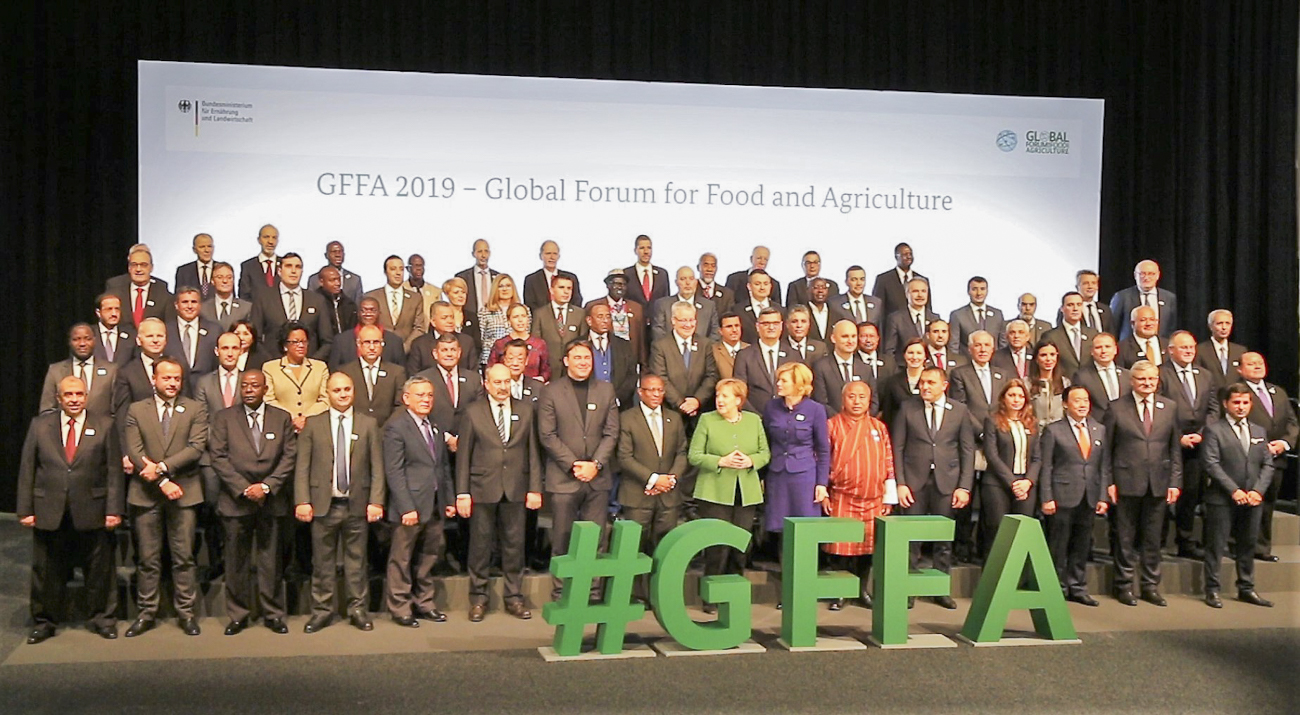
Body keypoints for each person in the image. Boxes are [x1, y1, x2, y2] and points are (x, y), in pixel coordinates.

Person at [18, 376, 123, 643]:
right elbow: (28, 468)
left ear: (86, 396)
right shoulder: (40, 425)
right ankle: (44, 622)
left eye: (79, 394)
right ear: (58, 398)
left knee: (100, 570)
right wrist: (25, 509)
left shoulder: (105, 425)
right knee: (46, 571)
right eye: (68, 394)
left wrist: (113, 510)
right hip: (49, 509)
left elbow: (113, 471)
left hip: (93, 508)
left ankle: (102, 618)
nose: (74, 399)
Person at [294, 372, 386, 633]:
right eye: (337, 390)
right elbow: (302, 467)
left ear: (353, 391)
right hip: (323, 505)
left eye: (347, 389)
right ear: (328, 393)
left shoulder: (368, 424)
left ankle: (358, 610)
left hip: (357, 504)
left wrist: (376, 500)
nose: (343, 394)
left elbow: (377, 467)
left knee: (357, 562)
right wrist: (302, 500)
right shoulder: (313, 424)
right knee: (322, 563)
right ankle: (322, 611)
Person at [122, 357, 208, 637]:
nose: (172, 383)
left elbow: (196, 447)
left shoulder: (195, 408)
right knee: (148, 559)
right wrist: (162, 482)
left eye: (177, 379)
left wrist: (161, 469)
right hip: (145, 494)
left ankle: (186, 613)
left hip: (184, 492)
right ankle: (146, 613)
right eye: (167, 378)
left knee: (184, 557)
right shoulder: (136, 409)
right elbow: (134, 451)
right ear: (154, 380)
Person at [209, 370, 296, 635]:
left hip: (271, 500)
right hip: (236, 500)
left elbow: (289, 456)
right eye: (245, 385)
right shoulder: (224, 418)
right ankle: (238, 615)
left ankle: (273, 614)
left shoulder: (281, 418)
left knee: (271, 562)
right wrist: (244, 488)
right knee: (236, 562)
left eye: (254, 385)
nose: (248, 389)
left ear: (265, 389)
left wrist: (267, 486)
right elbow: (218, 457)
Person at [456, 364, 543, 621]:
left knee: (514, 546)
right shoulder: (473, 412)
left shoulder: (526, 410)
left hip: (516, 487)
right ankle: (478, 599)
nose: (503, 387)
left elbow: (533, 453)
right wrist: (462, 493)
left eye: (507, 382)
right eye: (498, 382)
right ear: (486, 384)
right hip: (482, 487)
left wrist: (535, 488)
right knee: (480, 546)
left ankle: (514, 597)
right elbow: (463, 456)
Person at [537, 341, 620, 600]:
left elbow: (611, 433)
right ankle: (562, 592)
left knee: (596, 539)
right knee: (562, 539)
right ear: (566, 361)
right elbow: (547, 435)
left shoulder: (606, 390)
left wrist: (595, 465)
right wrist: (574, 465)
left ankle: (592, 592)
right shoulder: (551, 391)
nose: (583, 362)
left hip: (597, 478)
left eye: (587, 357)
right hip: (564, 478)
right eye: (577, 357)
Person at [892, 366, 974, 608]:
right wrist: (900, 483)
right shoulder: (908, 408)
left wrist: (964, 487)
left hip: (947, 482)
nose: (925, 387)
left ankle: (940, 589)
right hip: (914, 483)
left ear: (944, 386)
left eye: (930, 382)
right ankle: (907, 589)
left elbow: (967, 451)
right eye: (922, 382)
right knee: (911, 538)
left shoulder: (959, 411)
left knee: (943, 540)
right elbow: (897, 447)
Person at [689, 378, 770, 613]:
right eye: (718, 395)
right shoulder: (707, 420)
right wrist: (720, 461)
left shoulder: (754, 421)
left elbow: (765, 453)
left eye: (725, 396)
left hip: (746, 493)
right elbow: (694, 455)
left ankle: (733, 595)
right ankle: (711, 597)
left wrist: (751, 461)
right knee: (717, 548)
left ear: (738, 400)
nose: (720, 400)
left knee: (739, 547)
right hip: (714, 493)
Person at [1106, 360, 1183, 607]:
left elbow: (1175, 448)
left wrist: (1175, 482)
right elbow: (1106, 450)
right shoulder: (1116, 408)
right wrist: (1109, 481)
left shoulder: (1169, 407)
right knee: (1125, 538)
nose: (1147, 383)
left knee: (1153, 539)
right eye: (1142, 379)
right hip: (1126, 481)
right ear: (1132, 382)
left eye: (1151, 379)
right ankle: (1124, 585)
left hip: (1158, 482)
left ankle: (1150, 586)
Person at [383, 377, 457, 627]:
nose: (426, 400)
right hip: (410, 506)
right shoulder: (396, 427)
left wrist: (448, 499)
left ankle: (424, 603)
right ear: (406, 398)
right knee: (402, 559)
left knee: (428, 556)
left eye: (429, 395)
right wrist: (406, 507)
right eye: (420, 395)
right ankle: (400, 607)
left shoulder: (434, 424)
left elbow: (442, 466)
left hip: (434, 502)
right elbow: (394, 471)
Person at [822, 380, 896, 611]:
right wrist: (823, 492)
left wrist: (888, 496)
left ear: (869, 400)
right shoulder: (831, 425)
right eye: (852, 396)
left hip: (873, 498)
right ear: (843, 399)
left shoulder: (878, 427)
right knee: (841, 549)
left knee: (868, 548)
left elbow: (888, 461)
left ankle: (862, 590)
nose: (857, 401)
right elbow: (822, 461)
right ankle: (840, 592)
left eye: (862, 397)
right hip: (842, 497)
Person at [1201, 383, 1276, 608]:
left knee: (1248, 545)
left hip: (1252, 498)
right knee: (1216, 546)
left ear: (1251, 404)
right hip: (1222, 498)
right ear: (1226, 404)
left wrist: (1257, 491)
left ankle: (1246, 587)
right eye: (1236, 402)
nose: (1241, 407)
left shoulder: (1259, 431)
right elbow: (1211, 463)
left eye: (1245, 402)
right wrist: (1234, 490)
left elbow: (1268, 464)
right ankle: (1212, 590)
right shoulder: (1214, 430)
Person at [616, 374, 689, 603]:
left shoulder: (674, 418)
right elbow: (624, 457)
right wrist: (653, 479)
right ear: (640, 392)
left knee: (664, 547)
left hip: (669, 496)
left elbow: (682, 452)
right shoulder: (626, 418)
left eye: (660, 390)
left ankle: (661, 594)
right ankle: (636, 595)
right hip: (637, 494)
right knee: (635, 548)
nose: (656, 394)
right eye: (651, 390)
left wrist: (670, 479)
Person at [1039, 385, 1111, 606]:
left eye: (1085, 400)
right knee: (1058, 545)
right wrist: (1046, 497)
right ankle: (1056, 588)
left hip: (1089, 495)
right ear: (1065, 404)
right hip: (1062, 495)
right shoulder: (1054, 430)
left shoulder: (1099, 429)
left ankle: (1077, 587)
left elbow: (1103, 467)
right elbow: (1046, 466)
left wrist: (1102, 497)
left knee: (1082, 545)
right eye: (1077, 400)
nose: (1082, 404)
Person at [761, 363, 831, 573]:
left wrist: (822, 484)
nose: (778, 384)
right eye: (779, 380)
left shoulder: (816, 410)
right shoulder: (771, 407)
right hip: (777, 475)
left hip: (804, 476)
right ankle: (787, 579)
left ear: (799, 384)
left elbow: (823, 449)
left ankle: (806, 577)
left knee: (805, 528)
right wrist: (762, 476)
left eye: (784, 380)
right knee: (782, 529)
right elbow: (765, 442)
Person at [1159, 330, 1220, 558]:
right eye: (1183, 347)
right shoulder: (1160, 374)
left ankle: (1185, 541)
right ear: (1170, 350)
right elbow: (1157, 409)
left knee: (1191, 493)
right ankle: (1158, 543)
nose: (1189, 351)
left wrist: (1203, 434)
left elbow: (1213, 409)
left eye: (1191, 347)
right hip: (1166, 443)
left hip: (1197, 445)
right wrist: (1178, 438)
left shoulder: (1205, 375)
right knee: (1163, 493)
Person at [1238, 352, 1298, 562]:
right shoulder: (1237, 392)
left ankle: (1262, 547)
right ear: (1240, 369)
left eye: (1260, 363)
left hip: (1276, 457)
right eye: (1251, 363)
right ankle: (1239, 544)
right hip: (1249, 457)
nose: (1257, 366)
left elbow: (1292, 422)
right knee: (1247, 502)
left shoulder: (1278, 391)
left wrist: (1284, 443)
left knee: (1269, 502)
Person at [981, 380, 1041, 553]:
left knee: (1022, 533)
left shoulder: (1032, 423)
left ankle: (1019, 571)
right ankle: (995, 570)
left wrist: (1028, 481)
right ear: (1003, 398)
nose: (1016, 399)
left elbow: (1037, 458)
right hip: (997, 484)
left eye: (1021, 396)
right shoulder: (992, 421)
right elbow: (992, 455)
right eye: (1012, 395)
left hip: (1025, 485)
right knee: (998, 533)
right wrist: (1013, 482)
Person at [252, 252, 334, 360]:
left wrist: (312, 363)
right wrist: (272, 363)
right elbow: (255, 338)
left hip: (309, 365)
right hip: (273, 364)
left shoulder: (317, 300)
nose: (294, 271)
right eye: (288, 266)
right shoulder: (263, 298)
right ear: (279, 271)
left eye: (298, 267)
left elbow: (327, 341)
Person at [111, 317, 192, 424]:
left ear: (166, 340)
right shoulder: (126, 372)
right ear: (139, 340)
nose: (155, 340)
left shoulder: (179, 367)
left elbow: (186, 404)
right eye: (149, 336)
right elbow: (123, 414)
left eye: (160, 336)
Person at [648, 301, 719, 421]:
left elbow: (712, 376)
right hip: (672, 412)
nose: (688, 325)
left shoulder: (706, 344)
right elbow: (660, 377)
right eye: (683, 320)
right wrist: (681, 404)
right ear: (673, 321)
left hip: (701, 411)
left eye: (692, 320)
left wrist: (697, 401)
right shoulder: (660, 346)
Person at [40, 323, 117, 420]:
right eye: (76, 339)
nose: (82, 343)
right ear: (69, 342)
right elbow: (47, 411)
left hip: (101, 428)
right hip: (66, 428)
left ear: (95, 340)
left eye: (87, 339)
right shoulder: (55, 371)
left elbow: (116, 411)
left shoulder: (111, 371)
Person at [263, 321, 330, 433]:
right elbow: (269, 399)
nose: (301, 345)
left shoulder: (320, 367)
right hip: (283, 427)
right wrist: (292, 418)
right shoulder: (270, 368)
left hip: (313, 428)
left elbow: (326, 399)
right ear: (285, 346)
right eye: (295, 342)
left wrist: (305, 418)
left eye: (304, 341)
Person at [418, 333, 484, 440]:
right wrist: (447, 438)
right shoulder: (423, 379)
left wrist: (461, 438)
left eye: (453, 350)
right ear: (435, 354)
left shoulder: (474, 379)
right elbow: (420, 412)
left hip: (468, 440)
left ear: (459, 352)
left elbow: (479, 411)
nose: (449, 354)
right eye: (444, 350)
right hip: (435, 440)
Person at [339, 324, 407, 428]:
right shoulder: (345, 372)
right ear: (358, 344)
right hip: (354, 430)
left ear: (382, 344)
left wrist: (386, 429)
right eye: (367, 342)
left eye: (376, 342)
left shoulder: (397, 372)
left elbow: (400, 406)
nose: (372, 347)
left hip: (388, 431)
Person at [733, 307, 799, 411]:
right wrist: (755, 417)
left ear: (781, 326)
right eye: (766, 324)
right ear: (757, 326)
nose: (771, 327)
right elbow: (739, 391)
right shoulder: (744, 355)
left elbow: (800, 388)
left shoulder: (794, 355)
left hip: (787, 415)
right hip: (755, 416)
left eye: (775, 323)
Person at [811, 319, 875, 416]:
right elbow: (821, 402)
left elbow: (873, 401)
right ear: (833, 338)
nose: (850, 341)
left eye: (853, 336)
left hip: (861, 423)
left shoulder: (865, 368)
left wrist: (859, 420)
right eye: (845, 336)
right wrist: (841, 421)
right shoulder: (821, 367)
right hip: (831, 423)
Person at [363, 255, 426, 350]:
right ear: (385, 272)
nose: (398, 273)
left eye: (401, 269)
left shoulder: (415, 298)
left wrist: (404, 348)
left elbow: (419, 328)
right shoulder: (371, 297)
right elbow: (366, 326)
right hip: (378, 350)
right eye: (393, 269)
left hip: (406, 352)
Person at [531, 274, 589, 378]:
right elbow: (536, 344)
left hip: (573, 370)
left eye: (569, 288)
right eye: (561, 287)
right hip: (548, 370)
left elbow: (583, 343)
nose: (566, 292)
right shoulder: (540, 313)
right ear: (552, 290)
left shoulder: (580, 313)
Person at [327, 296, 405, 370]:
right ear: (358, 313)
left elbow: (401, 372)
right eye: (363, 310)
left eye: (373, 310)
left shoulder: (395, 341)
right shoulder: (341, 341)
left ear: (379, 313)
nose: (368, 314)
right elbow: (334, 371)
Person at [586, 302, 638, 408]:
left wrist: (617, 398)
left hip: (619, 405)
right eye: (600, 317)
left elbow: (631, 375)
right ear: (589, 320)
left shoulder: (623, 345)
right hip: (587, 404)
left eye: (608, 316)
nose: (605, 320)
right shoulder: (578, 345)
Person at [1109, 259, 1178, 340]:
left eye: (1151, 274)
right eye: (1142, 274)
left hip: (1159, 346)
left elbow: (1171, 327)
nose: (1146, 278)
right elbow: (1112, 326)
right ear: (1135, 275)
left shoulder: (1169, 298)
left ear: (1158, 275)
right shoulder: (1122, 297)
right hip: (1129, 346)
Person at [106, 244, 172, 328]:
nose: (138, 269)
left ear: (151, 268)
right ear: (129, 268)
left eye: (143, 265)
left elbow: (169, 323)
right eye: (134, 265)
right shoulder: (115, 287)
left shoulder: (161, 289)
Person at [588, 270, 647, 363]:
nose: (620, 287)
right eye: (616, 284)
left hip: (630, 357)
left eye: (623, 284)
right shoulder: (594, 305)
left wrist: (643, 364)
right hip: (605, 355)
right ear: (608, 285)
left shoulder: (636, 307)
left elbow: (641, 339)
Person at [1070, 332, 1129, 424]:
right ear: (1092, 351)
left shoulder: (1127, 375)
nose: (1103, 351)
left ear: (1115, 350)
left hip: (1125, 425)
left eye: (1107, 346)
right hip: (1097, 426)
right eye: (1098, 347)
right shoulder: (1082, 376)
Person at [405, 301, 478, 375]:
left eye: (452, 317)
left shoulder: (467, 342)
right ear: (433, 322)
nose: (450, 321)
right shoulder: (420, 344)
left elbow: (474, 374)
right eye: (444, 318)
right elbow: (413, 375)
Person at [651, 266, 720, 341]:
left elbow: (715, 332)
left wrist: (703, 348)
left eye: (691, 279)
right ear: (676, 282)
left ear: (696, 282)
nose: (687, 283)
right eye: (683, 279)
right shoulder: (663, 305)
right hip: (669, 348)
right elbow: (659, 333)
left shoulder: (709, 306)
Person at [165, 287, 222, 375]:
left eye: (194, 302)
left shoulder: (214, 330)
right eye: (185, 302)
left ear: (200, 305)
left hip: (206, 382)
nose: (190, 306)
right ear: (176, 305)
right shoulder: (165, 330)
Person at [489, 304, 551, 383]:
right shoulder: (500, 344)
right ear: (509, 320)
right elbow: (491, 368)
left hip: (533, 386)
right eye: (516, 317)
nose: (520, 320)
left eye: (523, 316)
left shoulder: (539, 344)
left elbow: (546, 369)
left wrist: (541, 379)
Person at [1041, 292, 1096, 378]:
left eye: (1079, 305)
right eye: (1070, 305)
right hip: (1062, 383)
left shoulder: (1093, 334)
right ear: (1062, 308)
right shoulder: (1050, 336)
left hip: (1089, 382)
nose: (1075, 309)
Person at [882, 277, 937, 358]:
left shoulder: (935, 318)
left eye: (923, 291)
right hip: (903, 365)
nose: (920, 295)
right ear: (906, 294)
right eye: (915, 291)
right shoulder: (895, 319)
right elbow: (889, 351)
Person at [949, 276, 1006, 354]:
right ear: (968, 291)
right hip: (966, 360)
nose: (979, 293)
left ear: (987, 291)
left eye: (982, 289)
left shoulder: (997, 314)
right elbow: (953, 345)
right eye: (974, 289)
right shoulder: (957, 315)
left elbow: (1003, 345)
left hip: (994, 360)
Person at [878, 338, 926, 428]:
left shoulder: (933, 380)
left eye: (919, 353)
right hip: (898, 430)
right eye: (910, 353)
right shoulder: (892, 381)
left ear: (925, 356)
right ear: (904, 355)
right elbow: (888, 413)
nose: (914, 357)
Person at [871, 242, 927, 318]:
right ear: (896, 257)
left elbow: (927, 309)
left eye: (910, 254)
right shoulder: (883, 280)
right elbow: (877, 309)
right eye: (905, 254)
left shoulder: (922, 280)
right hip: (891, 324)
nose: (909, 257)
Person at [523, 240, 584, 310]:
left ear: (558, 256)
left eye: (555, 254)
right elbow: (530, 304)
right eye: (548, 253)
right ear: (541, 256)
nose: (552, 257)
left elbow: (576, 301)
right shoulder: (531, 280)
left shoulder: (571, 277)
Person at [478, 273, 521, 366]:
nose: (505, 289)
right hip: (491, 360)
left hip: (516, 359)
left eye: (508, 286)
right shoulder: (485, 311)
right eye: (500, 286)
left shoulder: (522, 310)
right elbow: (481, 338)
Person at [1195, 309, 1247, 383]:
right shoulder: (1200, 350)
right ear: (1210, 326)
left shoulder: (1240, 351)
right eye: (1219, 323)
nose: (1224, 327)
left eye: (1227, 323)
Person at [201, 262, 254, 331]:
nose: (225, 281)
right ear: (212, 281)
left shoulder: (246, 308)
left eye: (229, 277)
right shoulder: (203, 309)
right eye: (220, 277)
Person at [1028, 341, 1070, 430]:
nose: (1048, 359)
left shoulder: (1065, 383)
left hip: (1059, 432)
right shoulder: (1026, 383)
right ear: (1036, 359)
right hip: (1036, 432)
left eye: (1052, 354)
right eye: (1043, 355)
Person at [455, 238, 498, 322]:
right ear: (473, 254)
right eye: (480, 251)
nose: (483, 255)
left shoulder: (497, 277)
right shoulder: (462, 277)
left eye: (486, 251)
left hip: (494, 320)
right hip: (470, 320)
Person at [1060, 269, 1113, 334]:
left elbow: (1112, 333)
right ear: (1077, 287)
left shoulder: (1106, 309)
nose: (1090, 286)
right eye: (1085, 283)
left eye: (1093, 283)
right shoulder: (1068, 309)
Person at [737, 270, 782, 345]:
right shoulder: (738, 310)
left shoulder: (780, 310)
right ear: (749, 286)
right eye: (757, 284)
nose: (762, 287)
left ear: (771, 286)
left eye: (766, 284)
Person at [236, 224, 280, 300]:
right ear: (259, 240)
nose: (270, 241)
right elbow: (244, 296)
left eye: (274, 238)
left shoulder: (285, 264)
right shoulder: (248, 266)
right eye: (266, 237)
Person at [314, 266, 359, 337]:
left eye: (339, 279)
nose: (337, 283)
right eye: (332, 280)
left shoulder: (349, 303)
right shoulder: (314, 302)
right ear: (321, 282)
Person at [93, 292, 136, 366]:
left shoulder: (131, 335)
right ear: (98, 312)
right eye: (109, 309)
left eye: (117, 309)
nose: (114, 314)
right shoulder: (90, 334)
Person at [441, 275, 479, 359]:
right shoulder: (441, 316)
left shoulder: (472, 316)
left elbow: (477, 344)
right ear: (447, 294)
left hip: (468, 359)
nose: (461, 296)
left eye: (463, 292)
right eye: (456, 292)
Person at [174, 232, 216, 299]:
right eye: (202, 247)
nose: (207, 250)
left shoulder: (223, 270)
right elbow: (179, 297)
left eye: (209, 246)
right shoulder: (184, 271)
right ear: (194, 250)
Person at [805, 278, 846, 343]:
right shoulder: (802, 313)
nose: (820, 291)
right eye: (816, 288)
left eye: (824, 288)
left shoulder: (837, 315)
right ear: (808, 290)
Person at [401, 254, 439, 322]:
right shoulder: (401, 289)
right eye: (415, 265)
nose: (419, 268)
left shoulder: (435, 291)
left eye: (421, 265)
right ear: (407, 268)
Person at [856, 321, 895, 386]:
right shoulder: (852, 361)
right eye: (864, 336)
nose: (868, 340)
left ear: (878, 338)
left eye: (872, 336)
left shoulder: (889, 362)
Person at [713, 312, 748, 380]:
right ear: (720, 331)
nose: (734, 330)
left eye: (737, 326)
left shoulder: (751, 349)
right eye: (729, 326)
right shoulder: (713, 351)